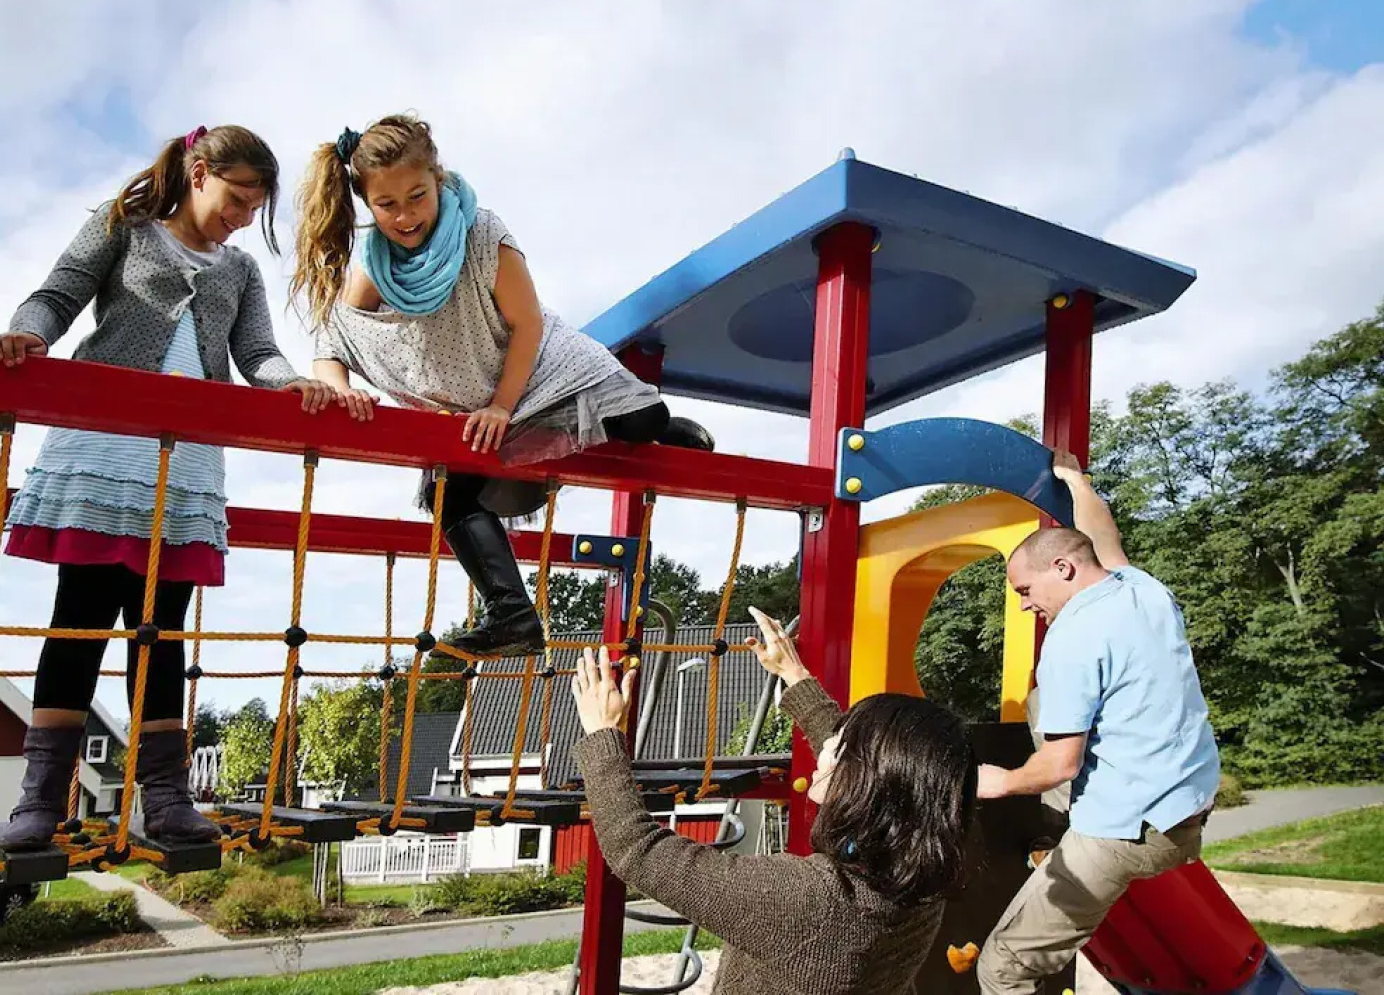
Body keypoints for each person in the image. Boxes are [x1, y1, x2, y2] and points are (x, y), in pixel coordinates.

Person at [0, 125, 333, 848]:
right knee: (77, 618)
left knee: (161, 630)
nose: (242, 216)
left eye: (255, 206)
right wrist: (28, 334)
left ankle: (166, 799)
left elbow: (257, 353)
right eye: (236, 198)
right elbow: (58, 294)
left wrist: (291, 383)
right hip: (104, 448)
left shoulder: (238, 272)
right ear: (198, 171)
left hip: (186, 463)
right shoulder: (124, 228)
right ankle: (40, 802)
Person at [291, 113, 714, 660]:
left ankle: (663, 424)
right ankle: (512, 617)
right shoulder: (374, 263)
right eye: (387, 204)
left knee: (637, 419)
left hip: (533, 367)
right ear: (368, 205)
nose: (405, 215)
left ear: (438, 179)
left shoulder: (482, 234)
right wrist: (340, 386)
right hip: (471, 399)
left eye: (417, 196)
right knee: (451, 493)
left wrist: (502, 404)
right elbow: (333, 343)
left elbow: (528, 325)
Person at [570, 607, 976, 995]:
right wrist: (794, 676)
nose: (826, 746)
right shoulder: (922, 884)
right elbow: (874, 767)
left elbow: (637, 850)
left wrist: (602, 733)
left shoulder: (805, 901)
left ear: (864, 782)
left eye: (842, 746)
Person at [974, 450, 1221, 993]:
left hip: (1123, 830)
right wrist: (1076, 483)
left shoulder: (1070, 640)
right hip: (1184, 810)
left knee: (1002, 967)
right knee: (1042, 706)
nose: (1023, 605)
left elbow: (1061, 764)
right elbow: (1101, 538)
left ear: (1062, 570)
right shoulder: (1142, 590)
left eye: (1024, 591)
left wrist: (1000, 782)